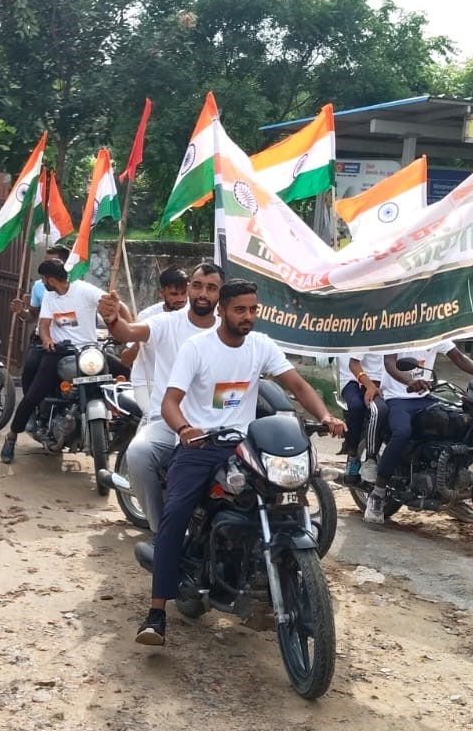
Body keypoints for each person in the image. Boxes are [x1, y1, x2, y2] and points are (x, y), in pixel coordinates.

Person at [138, 279, 345, 645]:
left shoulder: (261, 345)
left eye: (253, 309)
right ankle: (156, 614)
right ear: (222, 310)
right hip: (200, 445)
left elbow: (297, 386)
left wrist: (326, 415)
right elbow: (170, 402)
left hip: (245, 445)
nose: (248, 316)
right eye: (240, 310)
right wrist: (184, 429)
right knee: (176, 513)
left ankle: (286, 578)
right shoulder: (197, 348)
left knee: (283, 497)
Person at [98, 263, 223, 532]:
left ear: (220, 294)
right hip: (167, 419)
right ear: (189, 288)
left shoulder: (228, 330)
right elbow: (128, 333)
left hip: (219, 422)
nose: (203, 293)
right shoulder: (164, 322)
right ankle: (160, 531)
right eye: (197, 286)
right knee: (139, 453)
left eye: (211, 288)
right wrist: (113, 320)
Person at [0, 260, 126, 464]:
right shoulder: (50, 297)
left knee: (127, 374)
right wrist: (47, 340)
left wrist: (125, 325)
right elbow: (44, 325)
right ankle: (11, 437)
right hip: (59, 352)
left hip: (89, 352)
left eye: (43, 279)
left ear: (50, 279)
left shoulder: (83, 289)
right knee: (32, 396)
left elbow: (115, 304)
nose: (43, 283)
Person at [363, 340, 473, 524]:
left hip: (424, 397)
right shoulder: (398, 332)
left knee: (463, 425)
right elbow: (390, 363)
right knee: (402, 433)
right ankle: (378, 493)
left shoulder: (435, 333)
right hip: (397, 398)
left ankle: (453, 490)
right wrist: (410, 381)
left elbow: (459, 357)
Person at [120, 265, 190, 410]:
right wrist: (139, 341)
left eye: (184, 293)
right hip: (148, 382)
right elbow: (125, 360)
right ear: (161, 293)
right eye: (174, 294)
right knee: (153, 415)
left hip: (182, 383)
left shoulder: (194, 314)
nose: (181, 299)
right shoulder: (147, 317)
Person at [10, 245, 73, 392]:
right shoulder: (39, 286)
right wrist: (21, 311)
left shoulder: (76, 286)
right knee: (29, 370)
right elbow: (32, 316)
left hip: (71, 339)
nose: (46, 265)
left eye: (52, 262)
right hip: (43, 341)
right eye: (45, 261)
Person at [337, 352, 382, 480]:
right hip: (351, 377)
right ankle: (352, 454)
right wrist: (369, 385)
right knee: (356, 406)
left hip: (375, 378)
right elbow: (353, 364)